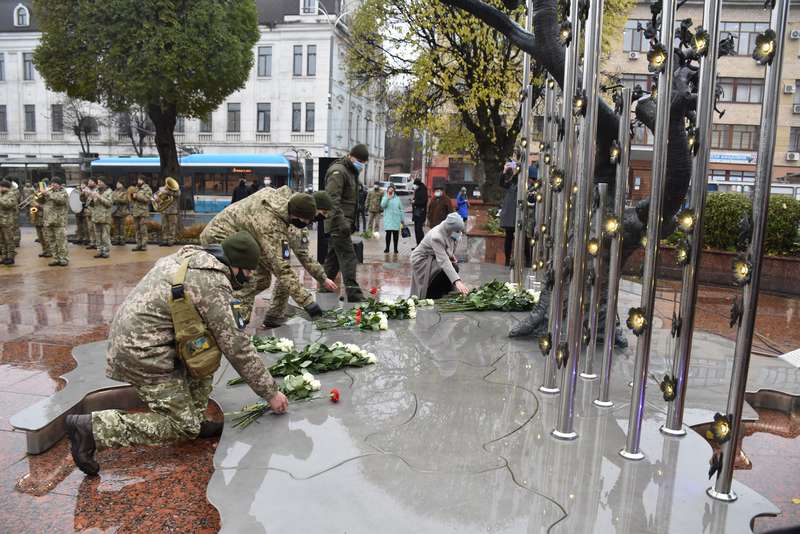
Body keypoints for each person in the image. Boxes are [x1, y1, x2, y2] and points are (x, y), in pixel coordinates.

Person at [64, 232, 288, 476]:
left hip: (149, 340)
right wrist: (270, 392)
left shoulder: (193, 257)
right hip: (144, 352)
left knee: (207, 348)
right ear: (237, 266)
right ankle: (92, 429)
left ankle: (195, 416)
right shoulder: (211, 281)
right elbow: (236, 344)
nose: (251, 277)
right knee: (182, 427)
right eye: (249, 272)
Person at [200, 186, 337, 325]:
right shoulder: (272, 223)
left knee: (263, 279)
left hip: (245, 236)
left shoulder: (285, 202)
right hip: (220, 235)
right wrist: (308, 303)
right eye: (321, 213)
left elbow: (293, 257)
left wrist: (322, 278)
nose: (311, 222)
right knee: (249, 279)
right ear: (298, 215)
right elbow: (282, 268)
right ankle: (233, 322)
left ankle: (237, 313)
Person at [261, 191, 339, 328]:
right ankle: (239, 321)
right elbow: (304, 256)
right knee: (271, 278)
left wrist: (323, 278)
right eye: (324, 212)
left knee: (280, 277)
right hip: (263, 249)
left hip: (266, 248)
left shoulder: (292, 206)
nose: (324, 216)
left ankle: (273, 316)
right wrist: (308, 301)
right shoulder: (298, 224)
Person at [323, 144, 368, 302]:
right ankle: (354, 294)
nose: (361, 164)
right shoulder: (339, 171)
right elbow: (332, 199)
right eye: (360, 160)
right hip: (338, 223)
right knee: (349, 257)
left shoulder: (350, 171)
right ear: (351, 156)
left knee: (333, 259)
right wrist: (342, 223)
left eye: (364, 162)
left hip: (343, 223)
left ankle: (324, 287)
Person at [410, 213, 469, 299]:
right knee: (442, 271)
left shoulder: (449, 231)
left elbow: (448, 246)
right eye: (457, 231)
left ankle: (444, 291)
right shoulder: (437, 236)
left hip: (433, 257)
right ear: (450, 228)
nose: (459, 233)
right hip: (421, 259)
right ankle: (432, 294)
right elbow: (443, 261)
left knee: (454, 267)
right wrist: (457, 281)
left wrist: (451, 256)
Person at [39, 178, 70, 267]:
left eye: (55, 183)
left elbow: (60, 200)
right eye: (52, 183)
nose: (53, 185)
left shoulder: (63, 193)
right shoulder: (49, 193)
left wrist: (47, 193)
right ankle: (56, 258)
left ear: (60, 185)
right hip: (48, 221)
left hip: (59, 221)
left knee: (61, 241)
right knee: (52, 241)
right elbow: (40, 201)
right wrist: (41, 194)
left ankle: (64, 259)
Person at [499, 162, 519, 267]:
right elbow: (502, 183)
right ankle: (507, 259)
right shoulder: (510, 182)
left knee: (524, 238)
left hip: (519, 214)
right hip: (510, 214)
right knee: (509, 238)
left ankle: (526, 259)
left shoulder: (520, 178)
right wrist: (504, 171)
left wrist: (516, 172)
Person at [90, 179, 113, 258]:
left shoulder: (109, 191)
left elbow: (109, 204)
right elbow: (89, 204)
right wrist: (91, 198)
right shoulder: (95, 191)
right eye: (98, 182)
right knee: (97, 236)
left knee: (105, 236)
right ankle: (99, 251)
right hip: (96, 217)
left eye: (100, 182)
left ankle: (105, 251)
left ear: (104, 183)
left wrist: (99, 197)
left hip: (105, 218)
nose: (98, 184)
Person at [131, 176, 153, 251]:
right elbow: (134, 200)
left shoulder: (147, 189)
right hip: (136, 211)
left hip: (143, 212)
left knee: (143, 229)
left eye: (140, 180)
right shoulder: (136, 188)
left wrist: (137, 196)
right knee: (137, 229)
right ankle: (138, 244)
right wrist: (133, 197)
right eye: (138, 179)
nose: (138, 181)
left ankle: (144, 245)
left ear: (143, 181)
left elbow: (147, 199)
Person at [380, 185, 403, 254]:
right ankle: (387, 248)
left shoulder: (397, 198)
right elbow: (382, 205)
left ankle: (395, 249)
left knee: (396, 235)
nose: (391, 191)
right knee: (388, 234)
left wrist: (402, 219)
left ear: (394, 191)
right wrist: (388, 198)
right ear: (387, 191)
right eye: (389, 190)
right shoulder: (385, 197)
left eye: (392, 190)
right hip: (388, 219)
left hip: (396, 219)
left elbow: (401, 209)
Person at [0, 179, 18, 265]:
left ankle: (10, 257)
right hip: (1, 220)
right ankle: (4, 257)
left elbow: (8, 205)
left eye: (1, 186)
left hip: (8, 221)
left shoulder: (11, 194)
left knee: (9, 240)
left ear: (5, 187)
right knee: (2, 240)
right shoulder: (1, 195)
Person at [111, 182, 130, 246]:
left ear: (122, 184)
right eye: (116, 184)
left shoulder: (125, 192)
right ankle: (116, 240)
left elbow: (126, 200)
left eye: (119, 184)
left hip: (122, 211)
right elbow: (111, 199)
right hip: (115, 212)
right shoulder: (114, 191)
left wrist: (117, 199)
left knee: (122, 227)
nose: (117, 185)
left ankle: (122, 240)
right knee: (116, 227)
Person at [411, 176, 428, 245]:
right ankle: (418, 245)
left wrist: (414, 202)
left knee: (419, 229)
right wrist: (414, 201)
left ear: (417, 184)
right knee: (416, 230)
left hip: (420, 213)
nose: (414, 186)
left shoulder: (423, 190)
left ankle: (422, 245)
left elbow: (423, 202)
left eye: (415, 184)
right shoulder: (418, 190)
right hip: (416, 213)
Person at [83, 179, 98, 250]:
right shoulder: (87, 190)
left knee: (96, 229)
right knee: (90, 228)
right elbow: (83, 199)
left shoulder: (98, 190)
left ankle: (98, 243)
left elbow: (96, 200)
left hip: (96, 212)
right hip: (88, 212)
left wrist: (89, 193)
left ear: (94, 183)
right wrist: (82, 193)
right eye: (88, 182)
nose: (89, 183)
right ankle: (92, 242)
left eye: (90, 182)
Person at [75, 180, 90, 244]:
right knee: (79, 225)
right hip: (78, 210)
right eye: (81, 184)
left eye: (83, 184)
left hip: (85, 210)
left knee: (85, 225)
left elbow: (88, 199)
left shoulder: (88, 191)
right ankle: (79, 238)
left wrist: (85, 192)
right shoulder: (78, 191)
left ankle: (87, 238)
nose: (82, 186)